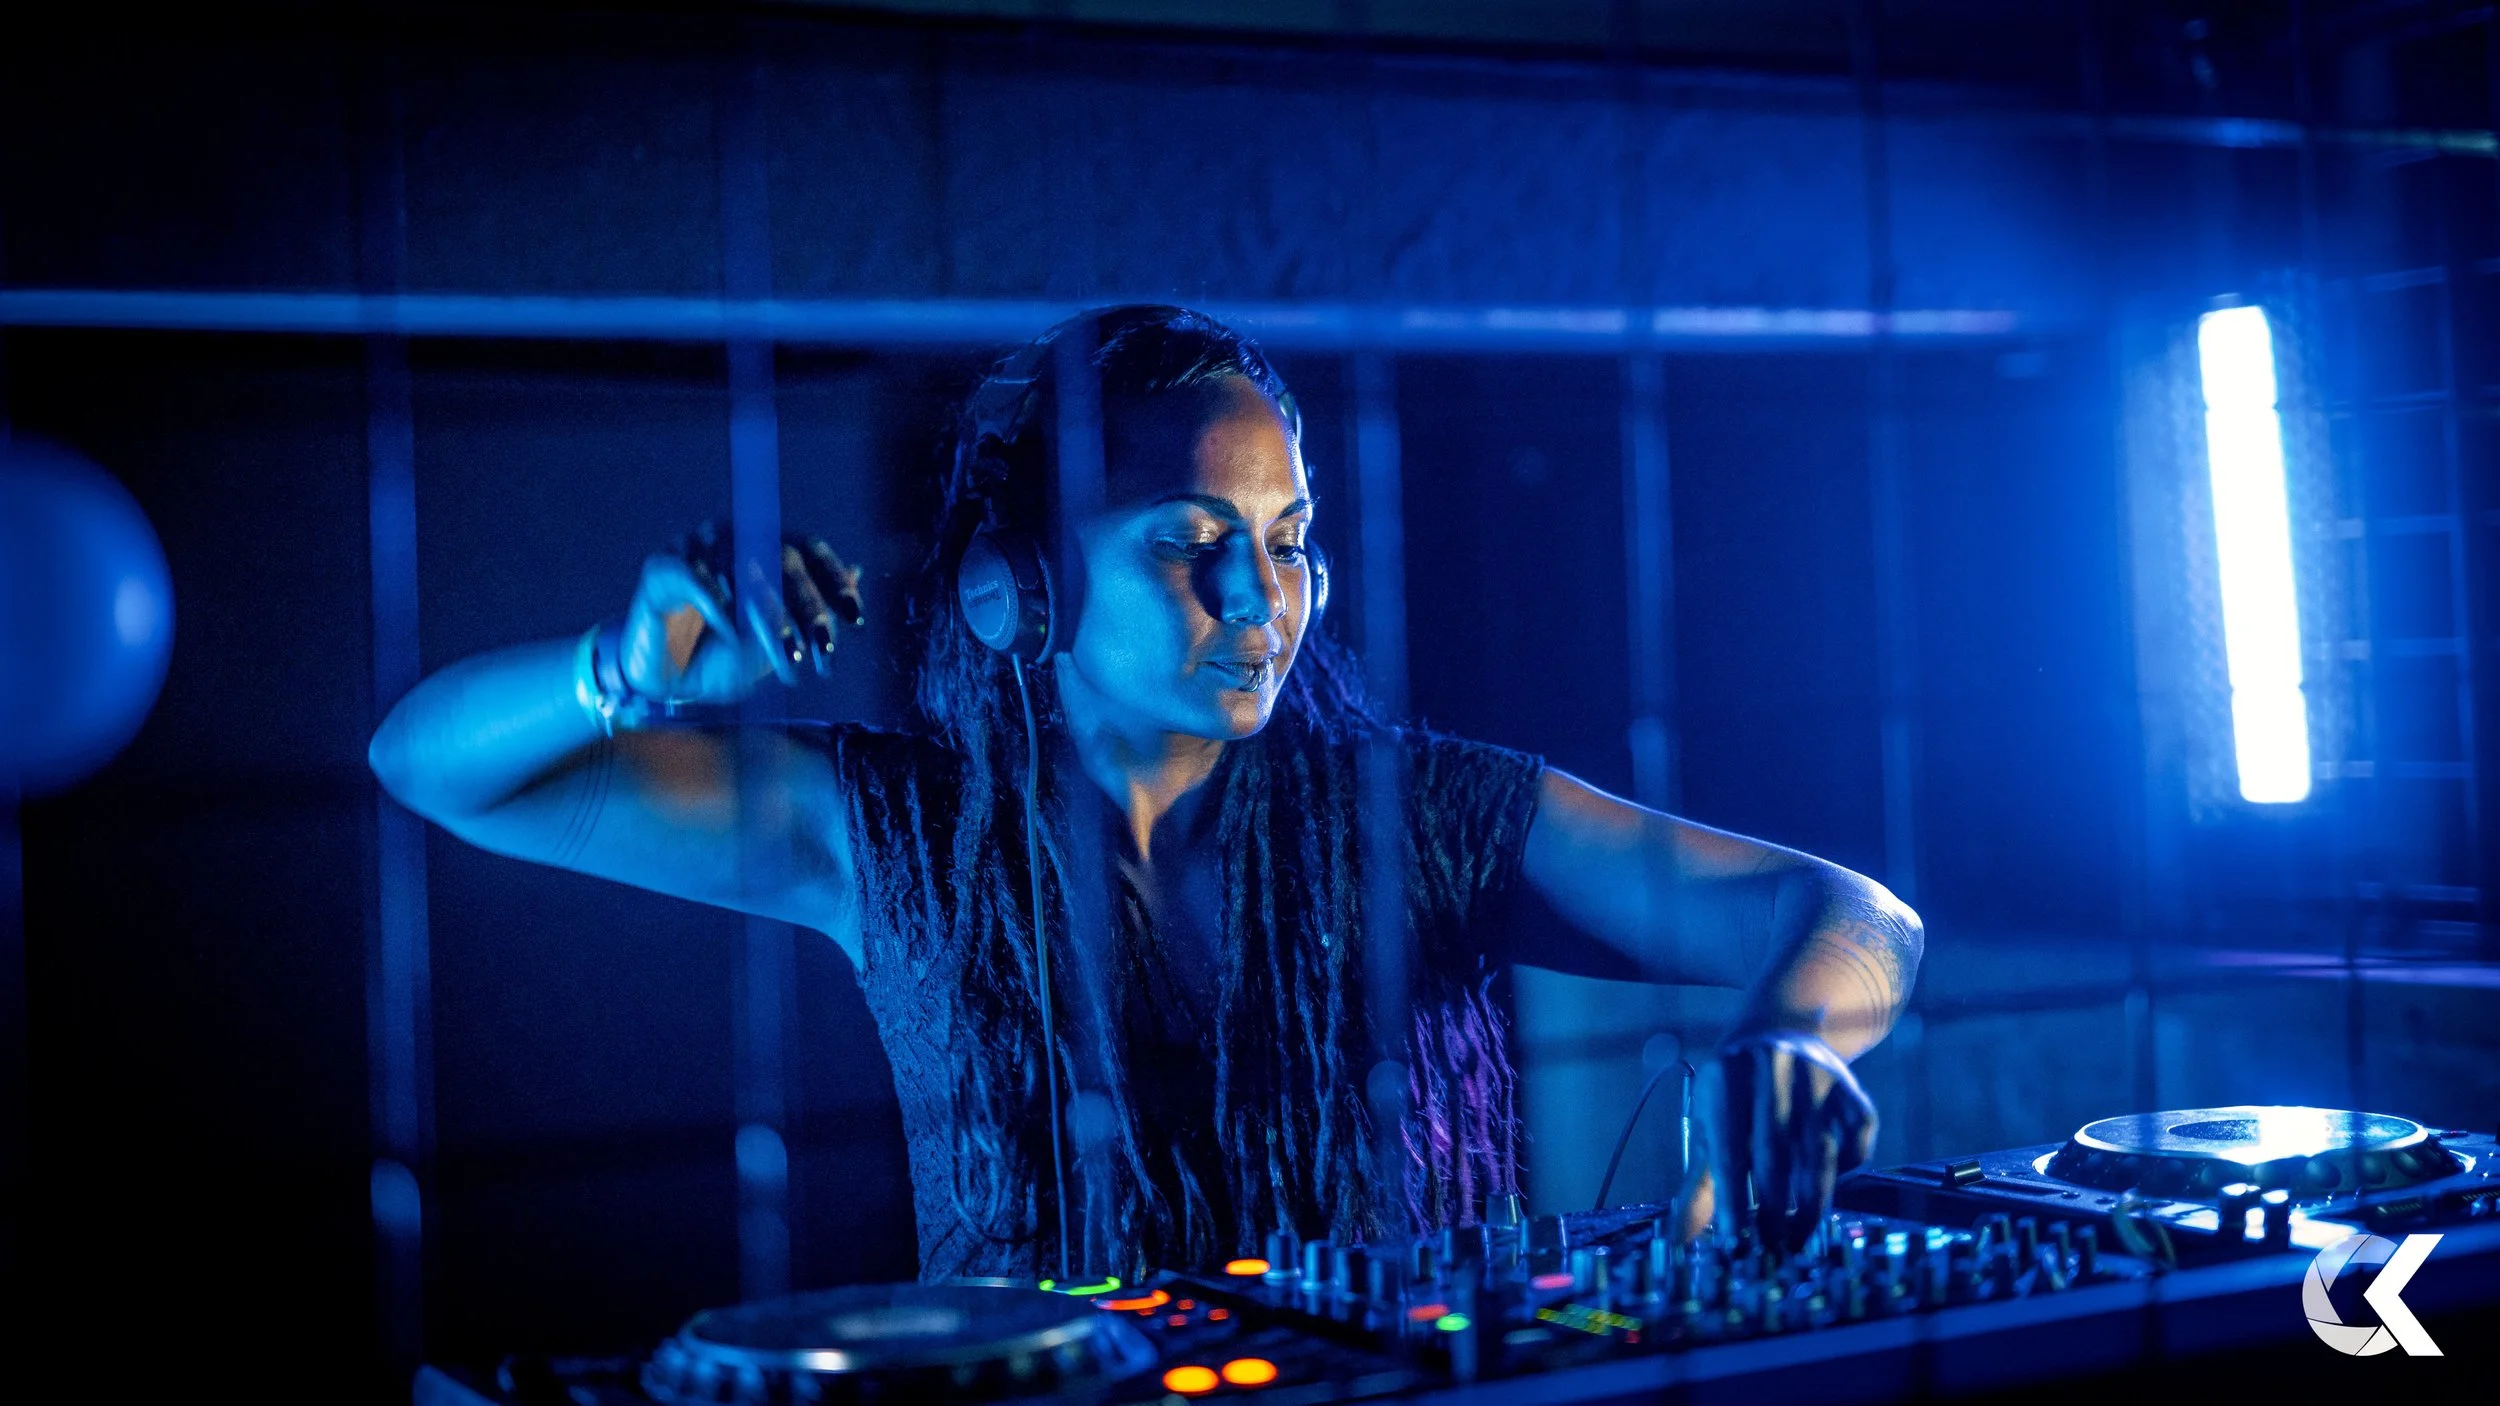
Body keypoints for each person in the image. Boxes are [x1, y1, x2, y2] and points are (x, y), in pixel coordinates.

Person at [367, 304, 1922, 1283]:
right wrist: (619, 674)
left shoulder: (1426, 813)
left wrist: (1785, 1057)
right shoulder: (895, 834)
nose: (1266, 597)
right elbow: (428, 765)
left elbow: (1857, 915)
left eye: (1295, 535)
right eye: (1193, 540)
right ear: (1018, 587)